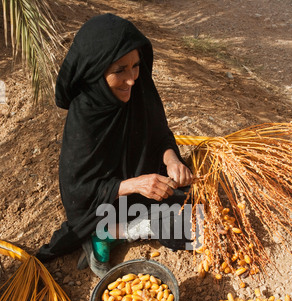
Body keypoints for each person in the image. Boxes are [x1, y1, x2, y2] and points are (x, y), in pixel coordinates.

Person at [36, 13, 193, 277]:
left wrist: (171, 160)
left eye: (136, 65)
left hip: (144, 184)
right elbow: (80, 191)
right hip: (104, 198)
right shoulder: (85, 115)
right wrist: (137, 184)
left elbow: (159, 135)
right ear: (97, 72)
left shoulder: (140, 86)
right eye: (119, 70)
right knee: (105, 220)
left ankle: (128, 227)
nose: (131, 79)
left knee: (188, 227)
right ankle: (105, 234)